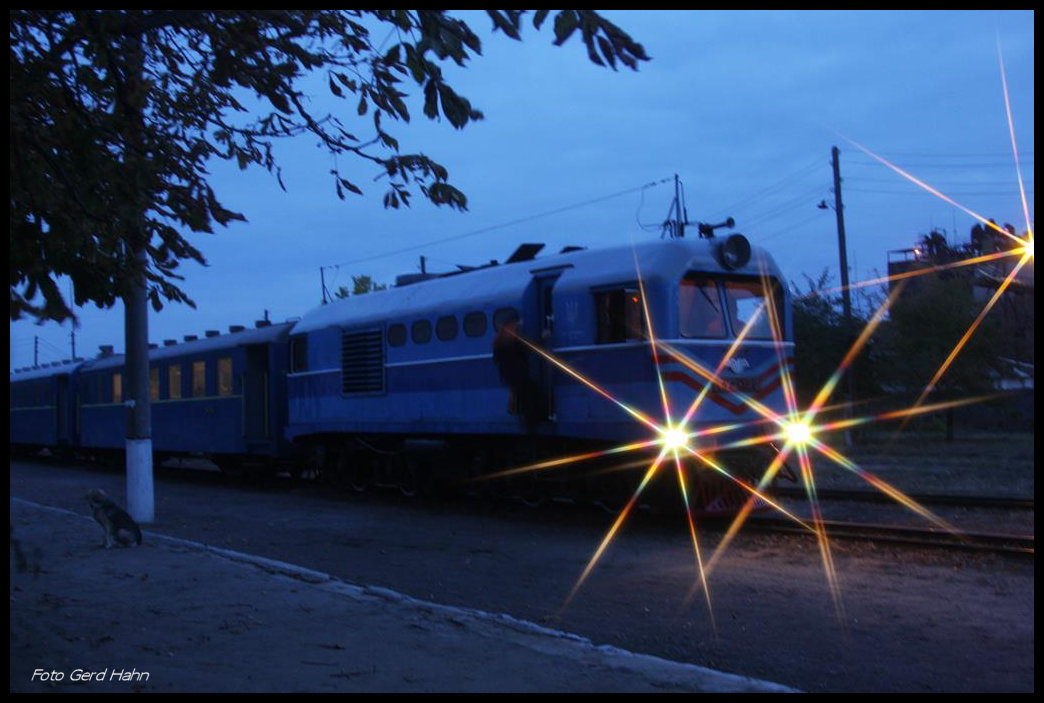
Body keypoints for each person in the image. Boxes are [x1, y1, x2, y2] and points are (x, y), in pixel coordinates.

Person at [492, 311, 546, 434]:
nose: (519, 325)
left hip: (510, 376)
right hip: (518, 375)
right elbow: (529, 348)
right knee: (531, 395)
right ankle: (531, 427)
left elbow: (496, 359)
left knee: (525, 395)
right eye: (517, 323)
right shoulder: (514, 339)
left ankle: (518, 412)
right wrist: (543, 338)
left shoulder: (499, 340)